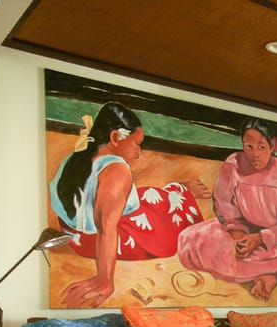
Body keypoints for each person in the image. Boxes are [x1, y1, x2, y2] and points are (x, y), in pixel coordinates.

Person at [49, 102, 210, 307]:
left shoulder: (80, 154)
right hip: (94, 241)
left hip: (72, 233)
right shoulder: (116, 171)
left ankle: (178, 189)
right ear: (116, 138)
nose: (139, 152)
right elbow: (106, 230)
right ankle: (181, 190)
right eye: (136, 143)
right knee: (167, 221)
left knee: (146, 196)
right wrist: (104, 279)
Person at [176, 118, 277, 301]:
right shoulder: (233, 163)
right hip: (241, 228)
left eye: (261, 147)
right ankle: (266, 272)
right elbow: (223, 202)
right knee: (191, 242)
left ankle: (269, 277)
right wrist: (239, 236)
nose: (255, 154)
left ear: (274, 145)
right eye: (248, 146)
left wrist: (259, 238)